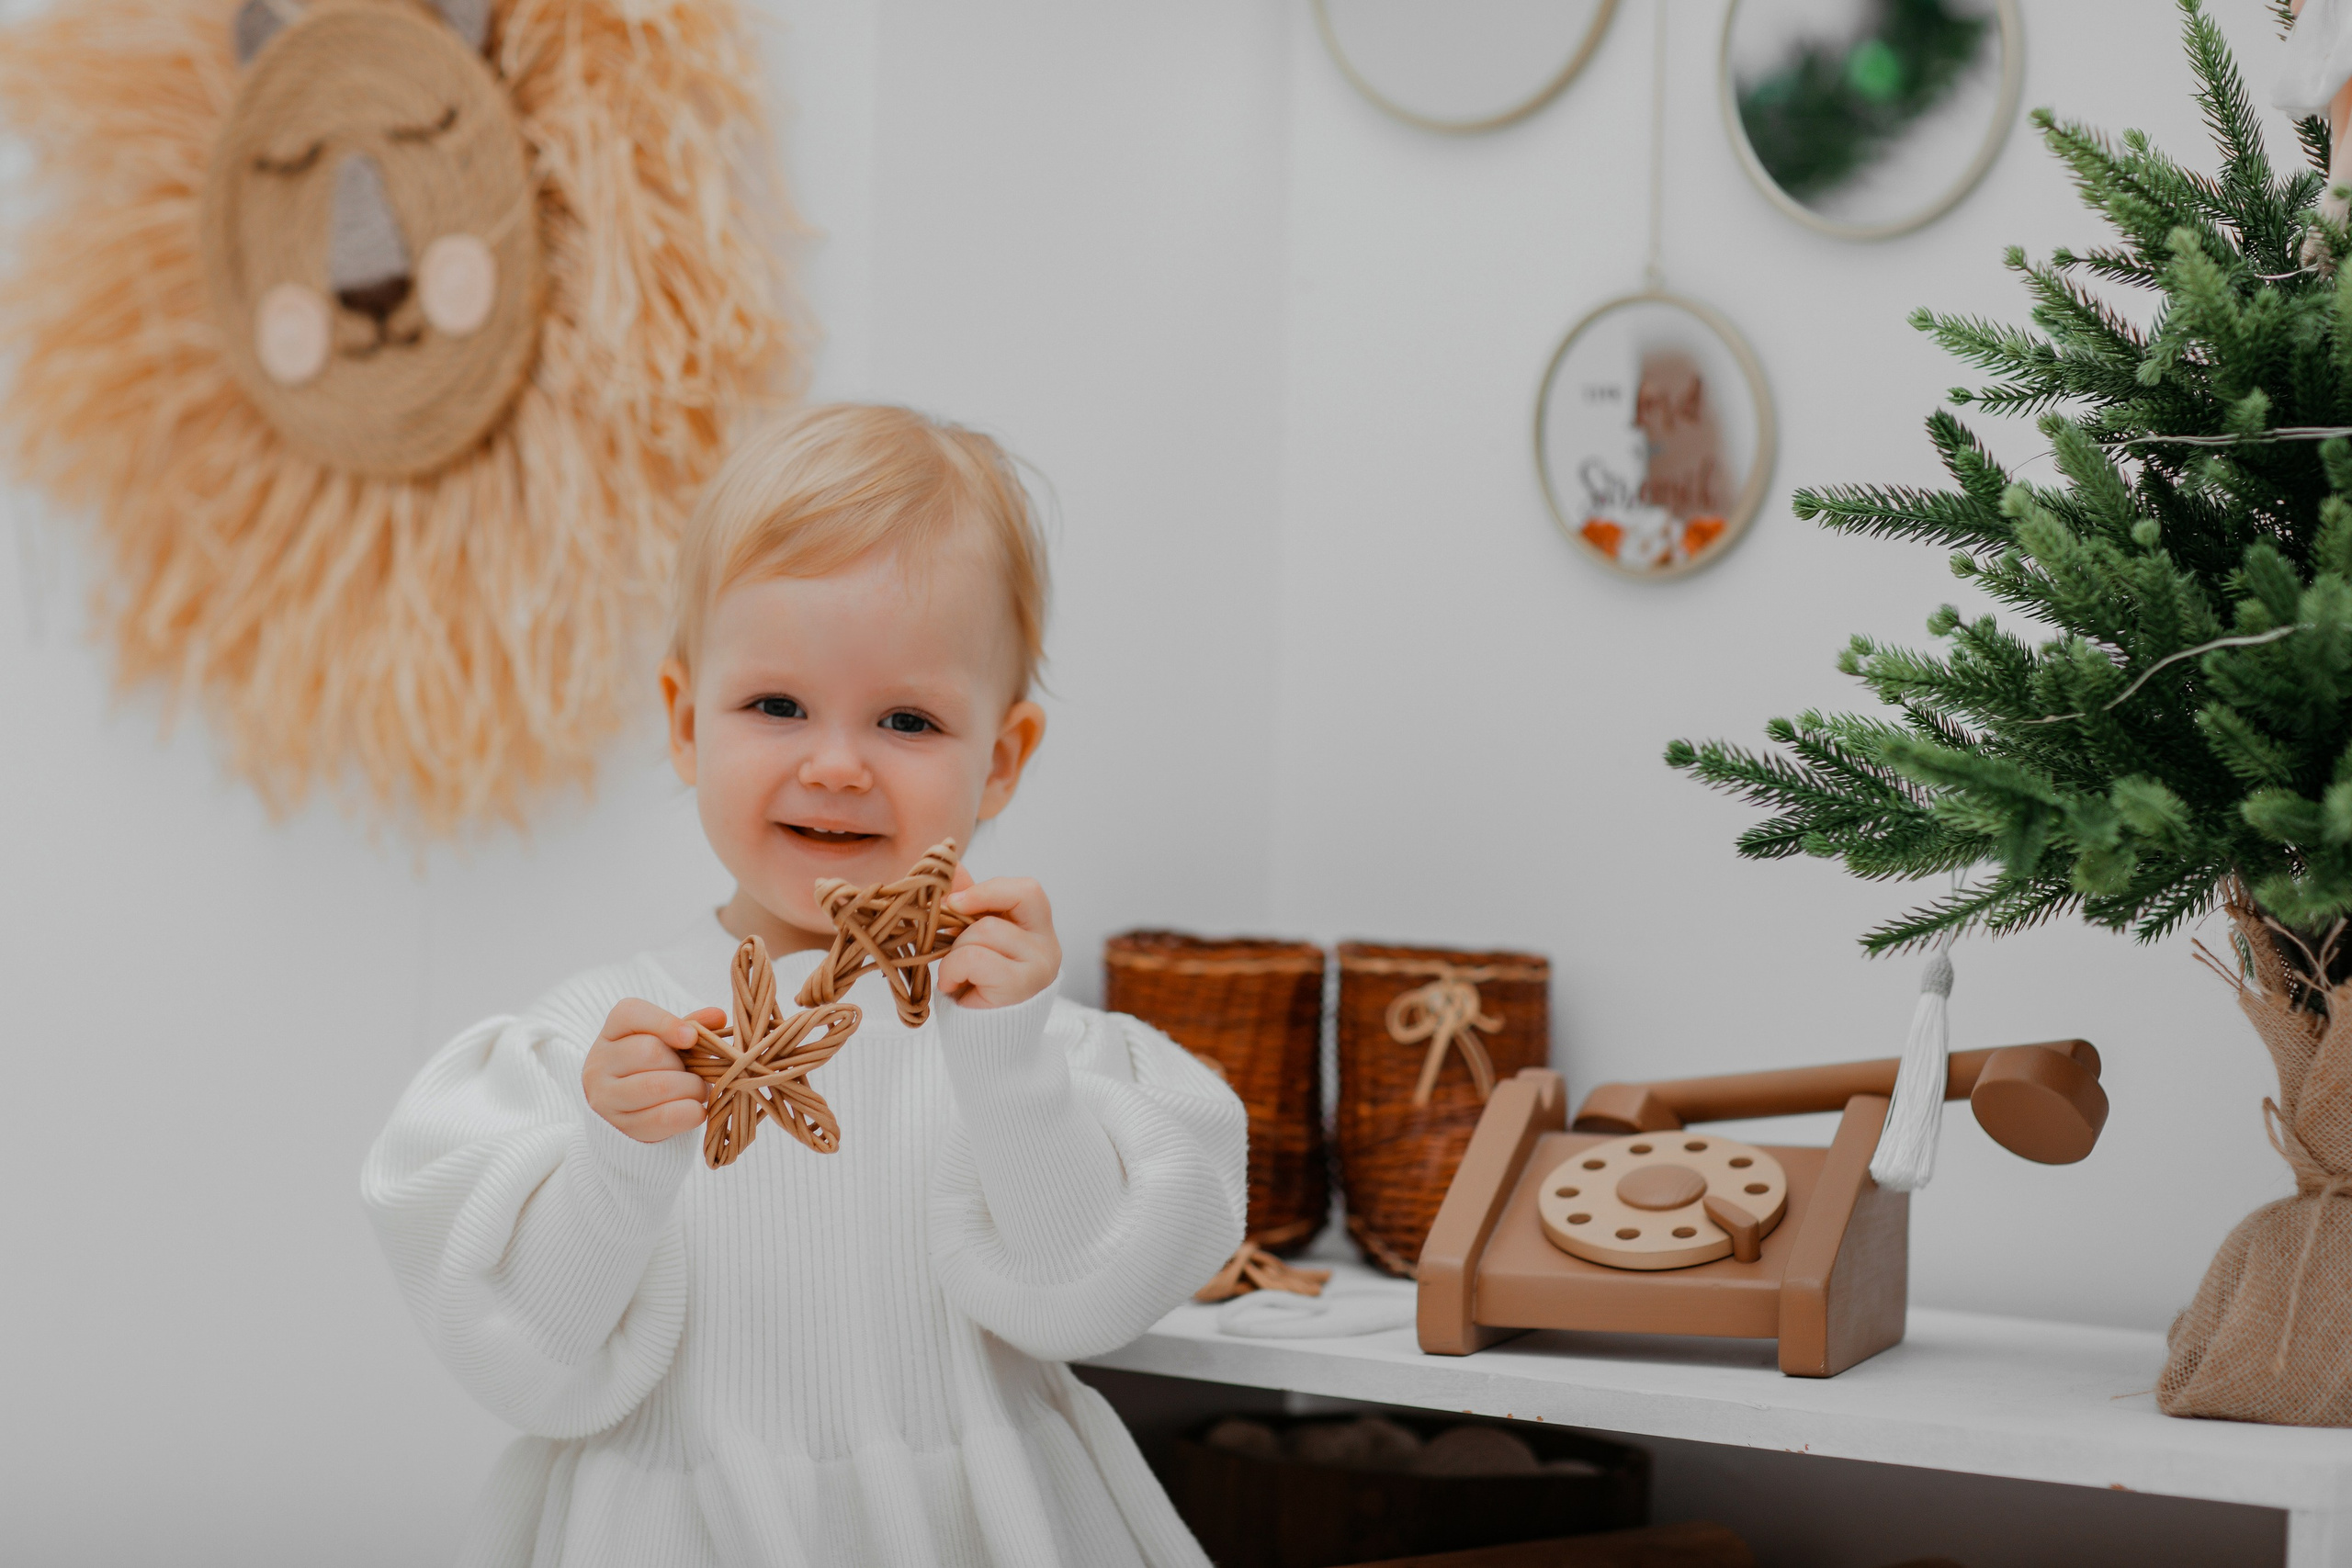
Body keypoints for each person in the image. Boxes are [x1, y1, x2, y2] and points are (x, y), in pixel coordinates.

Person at [362, 404, 1247, 1568]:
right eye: (776, 706)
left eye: (907, 719)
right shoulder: (590, 1050)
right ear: (685, 724)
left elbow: (1090, 1295)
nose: (835, 764)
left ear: (1002, 758)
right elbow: (526, 1359)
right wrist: (614, 1165)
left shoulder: (1027, 1045)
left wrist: (1012, 1069)